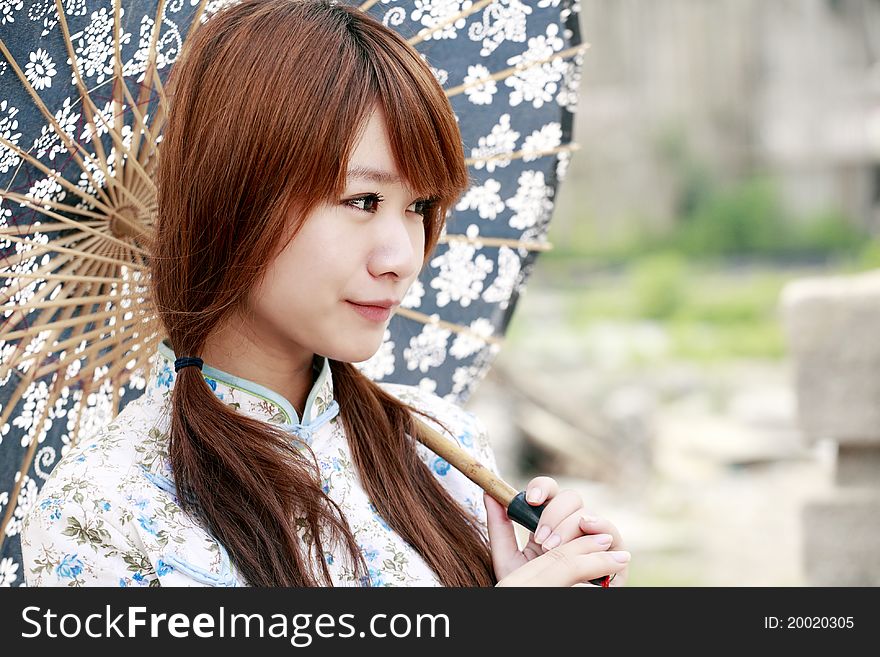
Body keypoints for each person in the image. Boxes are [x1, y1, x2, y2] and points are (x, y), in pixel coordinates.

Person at [21, 0, 629, 587]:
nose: (403, 258)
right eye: (363, 201)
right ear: (236, 200)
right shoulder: (99, 513)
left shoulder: (441, 445)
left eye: (419, 206)